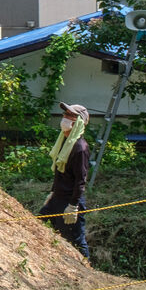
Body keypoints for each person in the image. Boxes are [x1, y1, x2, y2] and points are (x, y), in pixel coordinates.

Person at [41, 103, 91, 260]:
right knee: (40, 224)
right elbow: (59, 171)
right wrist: (52, 192)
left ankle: (88, 270)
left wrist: (73, 206)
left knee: (76, 240)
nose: (65, 118)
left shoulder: (80, 148)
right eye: (65, 114)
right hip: (57, 197)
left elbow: (80, 180)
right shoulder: (64, 141)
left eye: (70, 115)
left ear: (79, 122)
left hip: (70, 201)